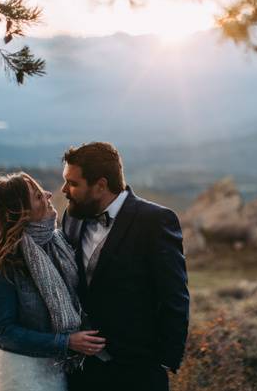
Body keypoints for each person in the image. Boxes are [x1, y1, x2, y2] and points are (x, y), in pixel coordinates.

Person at [60, 142, 189, 391]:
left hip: (137, 371)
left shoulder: (155, 220)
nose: (64, 190)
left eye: (73, 183)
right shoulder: (72, 218)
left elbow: (175, 296)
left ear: (100, 185)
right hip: (82, 372)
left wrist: (164, 362)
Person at [0, 172, 107, 391]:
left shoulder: (58, 242)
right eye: (37, 196)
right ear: (22, 214)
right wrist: (66, 342)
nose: (48, 194)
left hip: (61, 367)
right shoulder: (4, 264)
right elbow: (4, 333)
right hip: (24, 373)